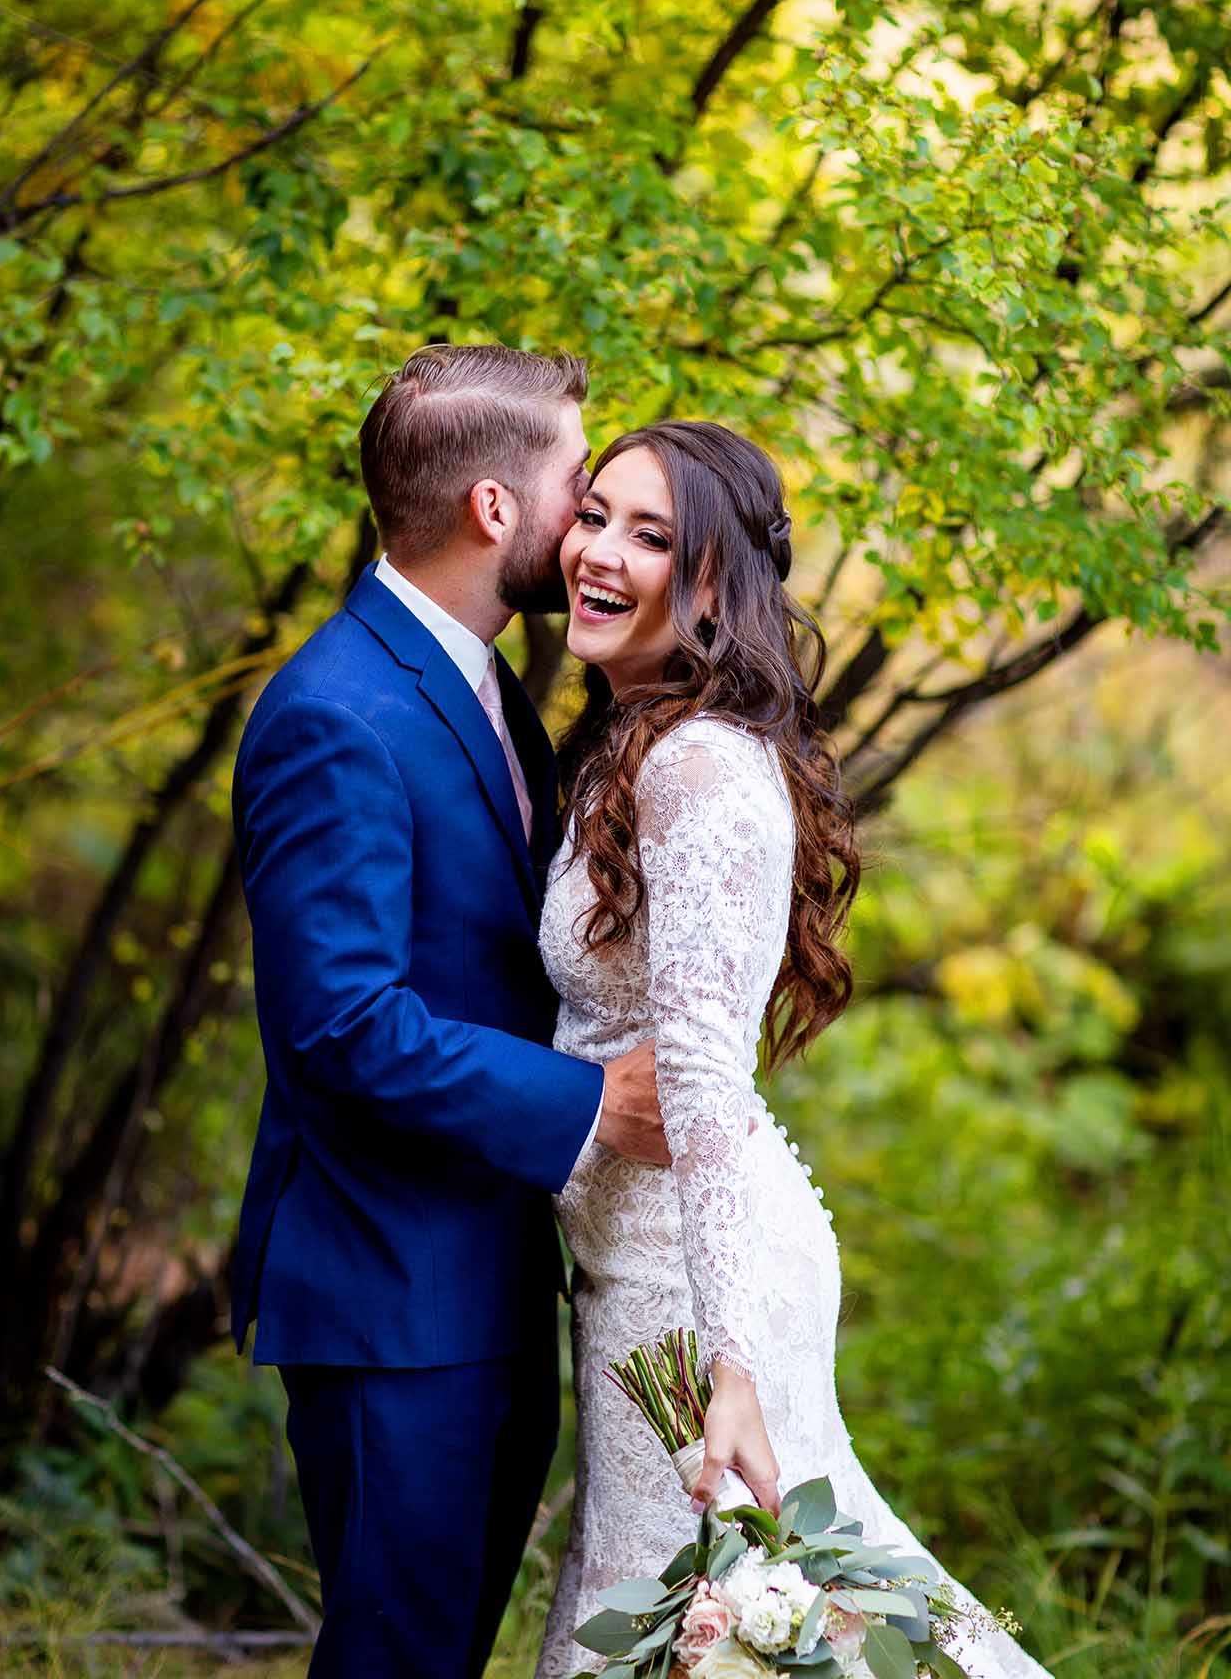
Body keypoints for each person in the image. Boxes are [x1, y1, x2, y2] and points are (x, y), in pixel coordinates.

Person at [534, 421, 1051, 1679]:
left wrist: (730, 1362)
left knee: (678, 1623)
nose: (597, 553)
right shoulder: (630, 741)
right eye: (593, 514)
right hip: (637, 1258)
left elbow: (706, 1071)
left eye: (648, 537)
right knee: (742, 1616)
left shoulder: (701, 768)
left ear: (714, 586)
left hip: (688, 1280)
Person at [229, 344, 667, 1679]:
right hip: (388, 1294)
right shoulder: (337, 711)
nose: (587, 520)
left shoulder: (484, 688)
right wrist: (589, 1104)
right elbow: (343, 1026)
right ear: (496, 511)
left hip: (478, 1280)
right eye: (578, 490)